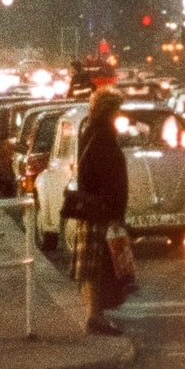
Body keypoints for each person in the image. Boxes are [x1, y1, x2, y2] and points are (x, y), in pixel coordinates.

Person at [71, 90, 131, 335]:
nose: (120, 114)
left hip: (94, 209)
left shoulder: (92, 132)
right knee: (96, 267)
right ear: (109, 110)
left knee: (93, 266)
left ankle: (94, 315)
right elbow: (105, 176)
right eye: (117, 109)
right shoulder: (101, 135)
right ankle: (95, 318)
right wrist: (111, 207)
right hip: (100, 210)